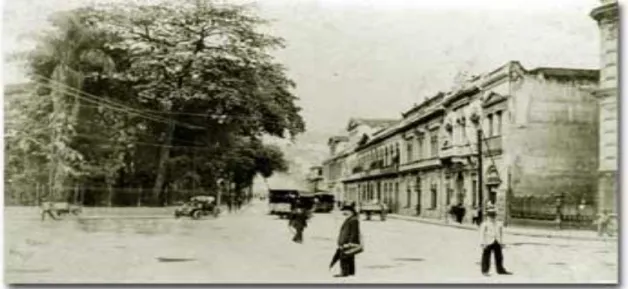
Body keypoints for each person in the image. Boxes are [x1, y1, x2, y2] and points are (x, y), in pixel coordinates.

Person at [479, 204, 512, 276]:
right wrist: (482, 243)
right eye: (490, 215)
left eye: (493, 215)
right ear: (487, 216)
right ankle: (485, 271)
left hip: (497, 241)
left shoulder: (498, 224)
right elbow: (481, 234)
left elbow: (500, 234)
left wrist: (502, 242)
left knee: (499, 256)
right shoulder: (485, 224)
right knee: (486, 256)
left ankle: (500, 270)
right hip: (488, 242)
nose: (492, 217)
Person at [335, 202, 361, 277]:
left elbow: (354, 232)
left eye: (345, 211)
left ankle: (344, 273)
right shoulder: (351, 219)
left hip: (348, 243)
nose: (344, 212)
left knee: (344, 257)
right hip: (346, 242)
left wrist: (350, 243)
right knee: (349, 257)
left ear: (351, 211)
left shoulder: (353, 220)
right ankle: (350, 272)